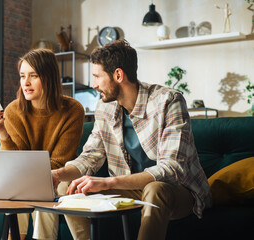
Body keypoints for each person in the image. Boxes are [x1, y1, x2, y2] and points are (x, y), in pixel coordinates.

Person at [51, 39, 212, 240]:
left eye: (97, 77)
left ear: (118, 75)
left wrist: (108, 183)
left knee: (155, 189)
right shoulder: (104, 108)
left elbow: (171, 169)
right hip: (129, 189)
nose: (94, 85)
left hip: (179, 191)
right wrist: (58, 173)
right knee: (67, 187)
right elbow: (90, 157)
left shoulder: (168, 101)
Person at [0, 48, 85, 240]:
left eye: (34, 76)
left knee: (41, 190)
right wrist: (3, 135)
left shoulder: (73, 110)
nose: (26, 83)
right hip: (24, 179)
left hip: (58, 176)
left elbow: (61, 161)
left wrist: (30, 175)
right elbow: (12, 164)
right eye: (22, 76)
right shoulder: (14, 110)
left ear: (49, 78)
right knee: (19, 187)